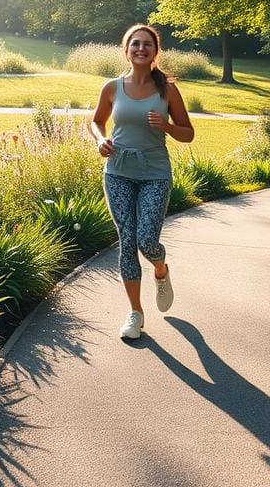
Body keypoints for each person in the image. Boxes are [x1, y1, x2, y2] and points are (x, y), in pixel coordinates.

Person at [91, 24, 195, 340]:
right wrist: (99, 140)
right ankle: (135, 313)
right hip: (118, 172)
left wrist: (165, 125)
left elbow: (187, 133)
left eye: (147, 44)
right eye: (135, 43)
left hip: (154, 175)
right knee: (127, 239)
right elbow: (96, 121)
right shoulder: (112, 87)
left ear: (154, 51)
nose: (140, 48)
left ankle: (160, 271)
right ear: (127, 49)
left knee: (147, 241)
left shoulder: (167, 91)